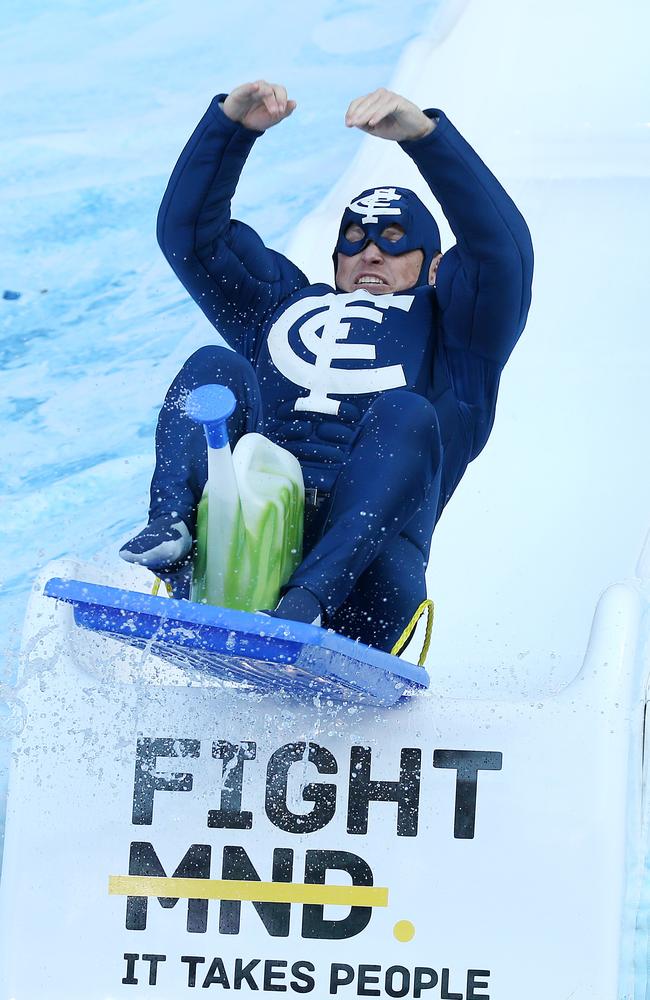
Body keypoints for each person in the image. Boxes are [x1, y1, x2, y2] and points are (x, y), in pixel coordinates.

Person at [120, 81, 534, 651]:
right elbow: (191, 238)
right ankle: (172, 528)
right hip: (245, 548)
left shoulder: (459, 341)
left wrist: (425, 136)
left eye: (394, 242)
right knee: (212, 364)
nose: (371, 252)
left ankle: (306, 605)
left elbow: (501, 253)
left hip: (367, 586)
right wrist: (230, 128)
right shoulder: (281, 306)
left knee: (407, 414)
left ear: (435, 265)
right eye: (356, 240)